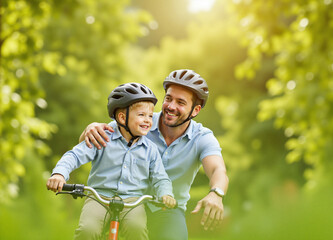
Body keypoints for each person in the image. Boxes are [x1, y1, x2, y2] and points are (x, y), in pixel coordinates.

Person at [80, 69, 229, 240]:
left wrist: (216, 193)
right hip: (124, 203)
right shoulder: (140, 121)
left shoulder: (202, 137)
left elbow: (218, 170)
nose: (171, 106)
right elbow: (89, 142)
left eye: (180, 102)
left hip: (166, 211)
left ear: (195, 110)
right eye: (168, 98)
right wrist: (89, 128)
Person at [46, 83, 176, 240]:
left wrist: (165, 194)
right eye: (142, 115)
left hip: (132, 201)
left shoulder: (150, 149)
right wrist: (60, 174)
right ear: (122, 117)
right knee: (88, 230)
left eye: (150, 116)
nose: (148, 120)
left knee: (137, 230)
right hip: (99, 197)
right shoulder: (102, 137)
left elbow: (160, 177)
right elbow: (74, 155)